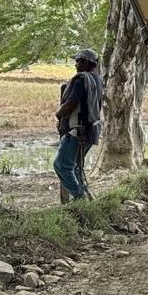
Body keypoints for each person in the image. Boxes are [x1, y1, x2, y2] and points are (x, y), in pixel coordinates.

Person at [53, 48, 102, 203]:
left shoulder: (81, 79)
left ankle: (80, 199)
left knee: (62, 165)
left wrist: (59, 114)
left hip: (77, 130)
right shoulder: (97, 80)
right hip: (92, 130)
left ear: (88, 62)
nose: (76, 64)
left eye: (79, 61)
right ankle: (87, 199)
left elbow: (70, 104)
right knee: (76, 167)